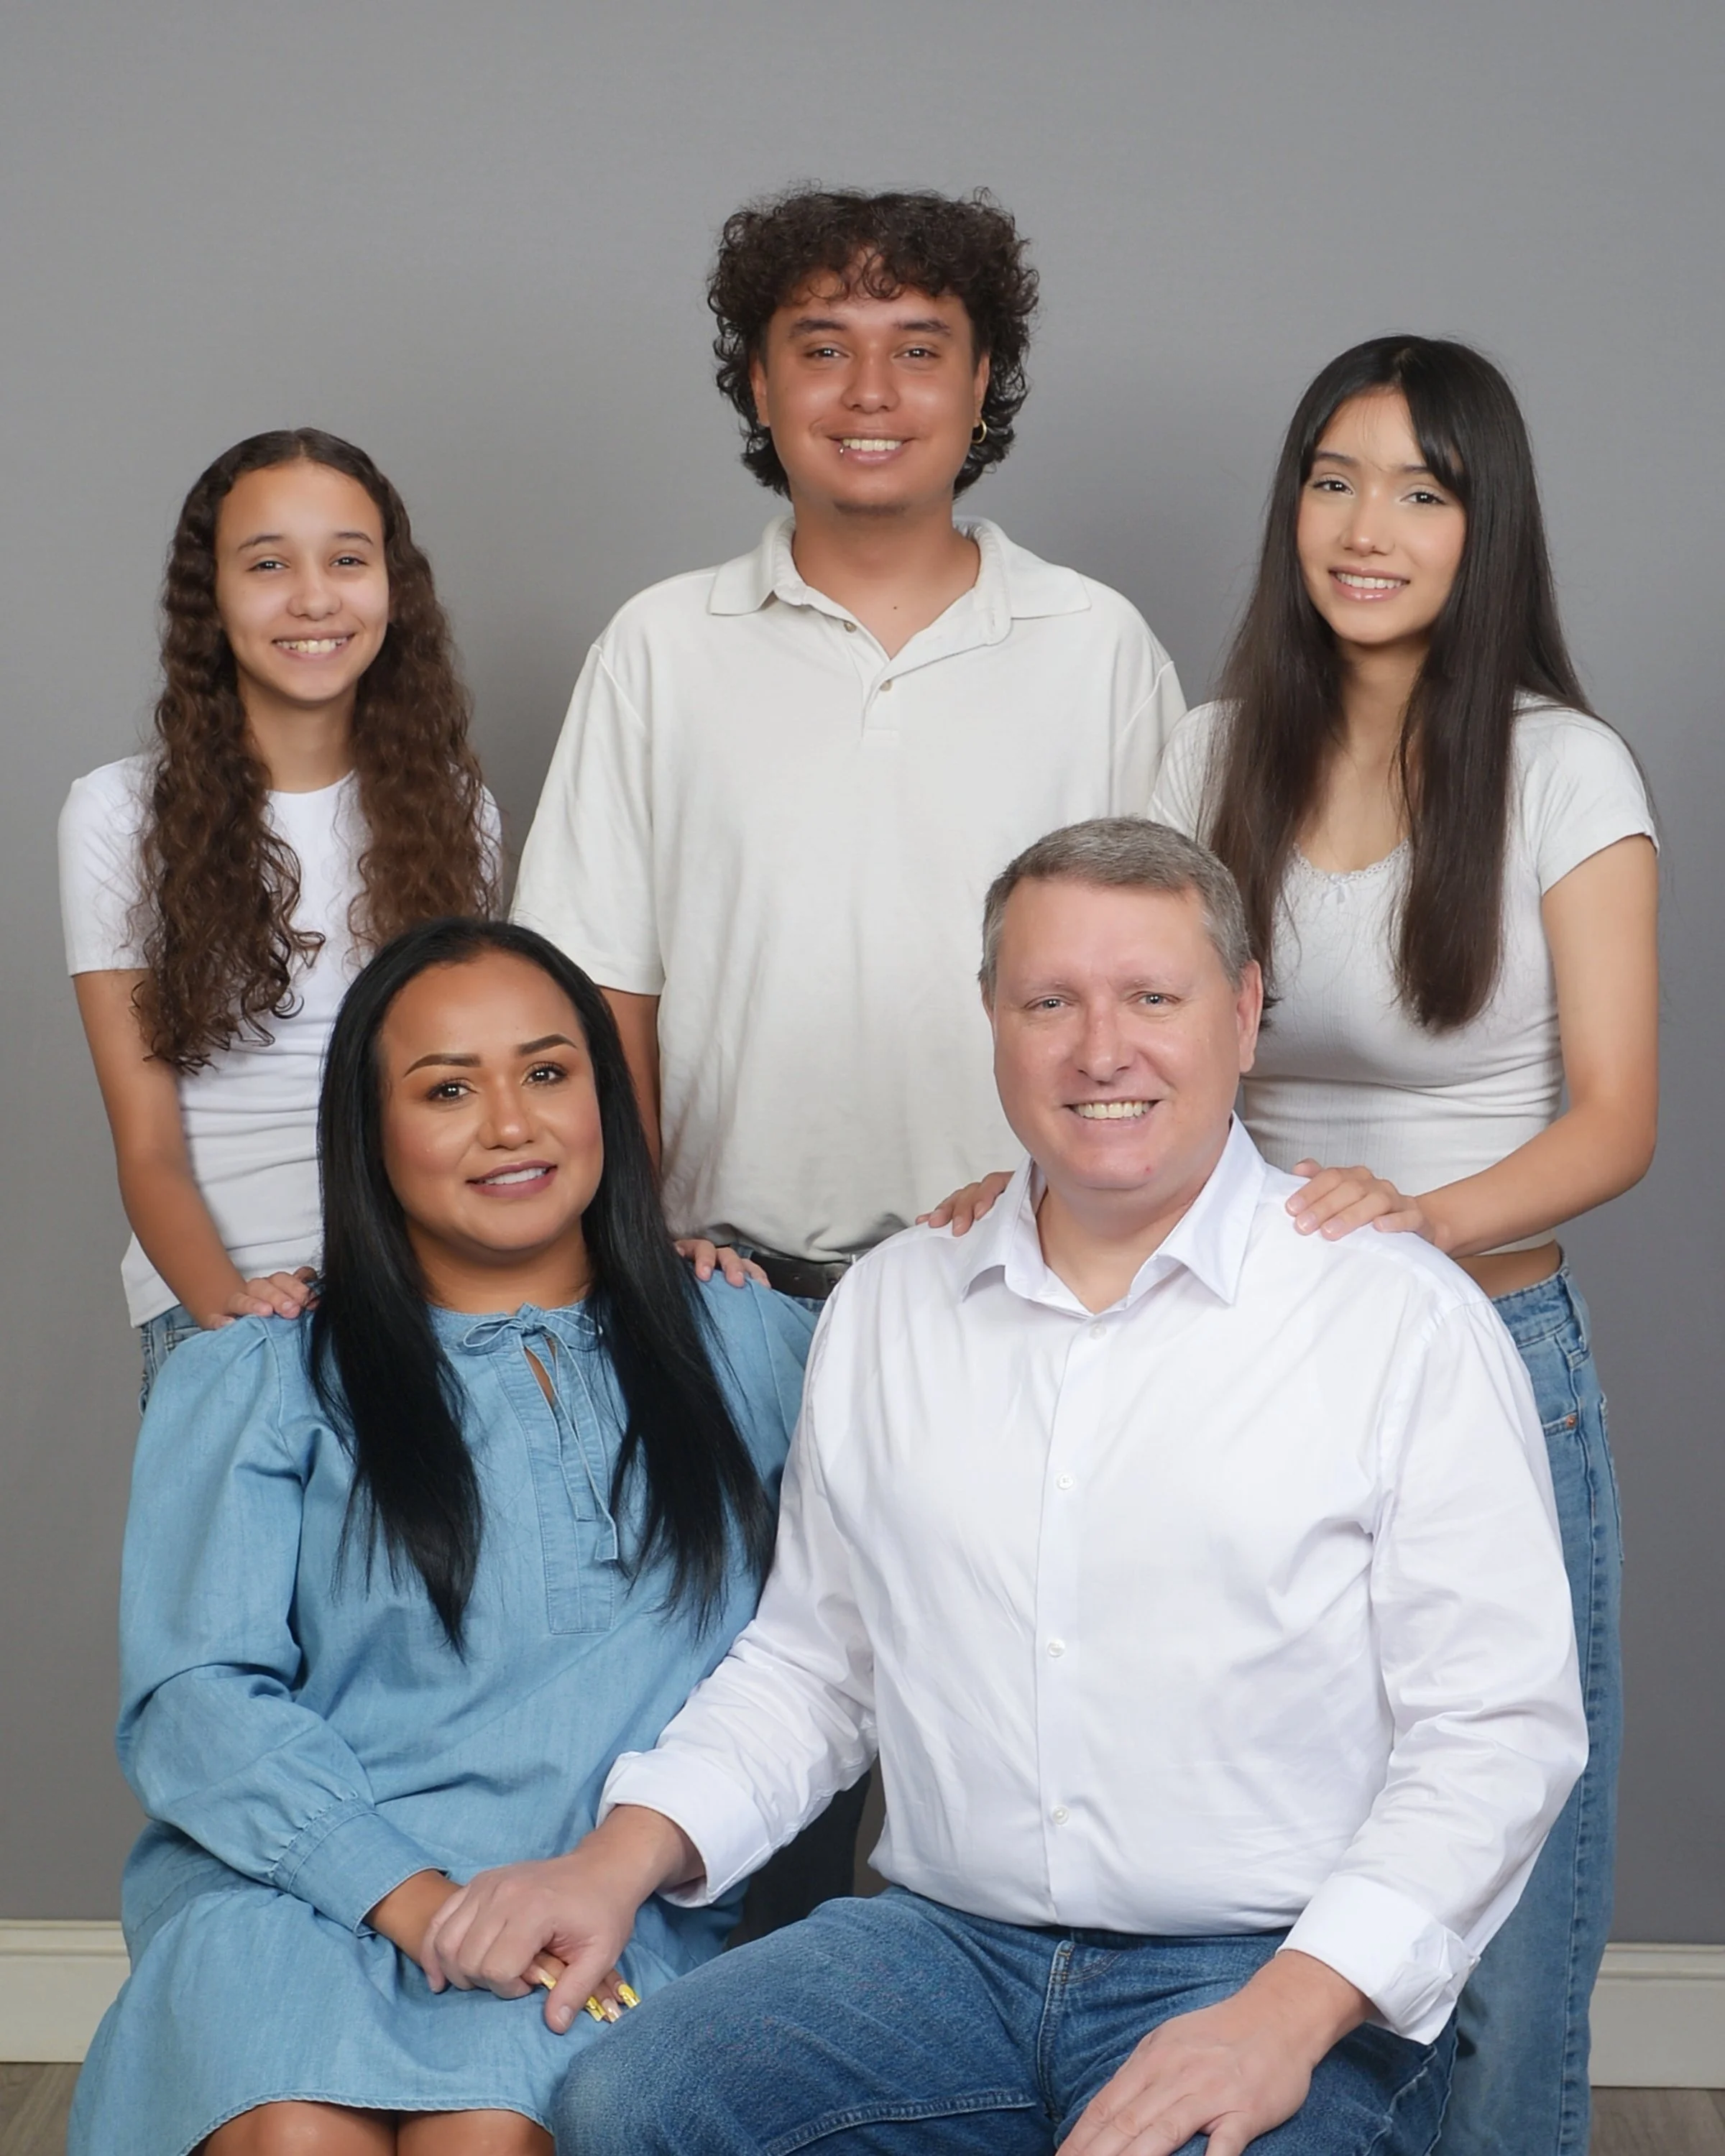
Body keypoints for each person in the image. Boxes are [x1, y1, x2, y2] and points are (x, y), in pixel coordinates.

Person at [420, 821, 1587, 2156]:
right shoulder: (893, 1304)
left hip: (1267, 1966)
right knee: (633, 2104)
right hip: (945, 1957)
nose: (1104, 1051)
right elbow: (817, 1664)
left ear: (1246, 1011)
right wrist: (616, 1858)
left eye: (1154, 997)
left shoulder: (1399, 1318)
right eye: (1051, 1003)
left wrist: (1287, 2016)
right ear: (993, 1021)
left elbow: (1496, 1733)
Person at [931, 338, 1658, 2156]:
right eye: (1336, 479)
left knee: (1500, 1920)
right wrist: (1005, 1186)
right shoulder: (1210, 746)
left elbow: (1617, 1122)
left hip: (1485, 1345)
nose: (1369, 525)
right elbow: (1139, 1030)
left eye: (1423, 489)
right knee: (1292, 1859)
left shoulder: (1564, 768)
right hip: (1241, 1362)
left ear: (1485, 529)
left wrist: (1412, 1226)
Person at [68, 918, 816, 2156]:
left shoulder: (753, 1348)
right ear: (371, 1131)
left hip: (594, 1899)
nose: (511, 1124)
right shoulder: (257, 1375)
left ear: (604, 1096)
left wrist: (1000, 1201)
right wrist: (412, 1903)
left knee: (491, 2134)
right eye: (449, 1090)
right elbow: (198, 1700)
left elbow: (973, 1415)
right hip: (299, 1888)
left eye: (546, 1072)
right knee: (292, 2132)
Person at [512, 185, 1184, 1296]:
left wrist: (1071, 1207)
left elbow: (1172, 984)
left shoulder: (1096, 645)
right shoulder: (660, 647)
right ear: (762, 385)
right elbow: (594, 996)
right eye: (824, 348)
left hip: (1022, 1275)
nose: (871, 392)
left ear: (980, 386)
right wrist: (632, 1260)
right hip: (723, 1293)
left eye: (918, 349)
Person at [59, 429, 500, 1399]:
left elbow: (464, 1093)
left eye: (348, 559)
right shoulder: (119, 813)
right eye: (268, 564)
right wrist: (235, 1323)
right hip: (221, 1296)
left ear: (394, 586)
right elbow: (148, 1143)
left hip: (427, 1292)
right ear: (210, 596)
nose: (313, 597)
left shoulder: (457, 808)